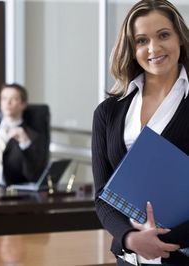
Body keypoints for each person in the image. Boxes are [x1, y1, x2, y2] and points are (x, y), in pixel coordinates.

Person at [92, 0, 189, 265]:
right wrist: (131, 238)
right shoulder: (108, 112)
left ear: (180, 37)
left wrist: (161, 241)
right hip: (129, 258)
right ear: (131, 49)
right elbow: (102, 196)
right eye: (141, 40)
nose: (154, 48)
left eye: (163, 35)